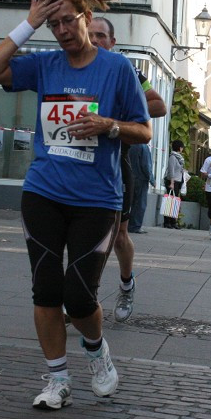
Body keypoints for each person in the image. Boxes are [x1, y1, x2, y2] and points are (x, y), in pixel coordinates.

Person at [0, 0, 150, 411]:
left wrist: (108, 125)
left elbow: (143, 131)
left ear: (86, 17)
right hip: (44, 191)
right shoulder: (44, 64)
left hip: (96, 199)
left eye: (67, 21)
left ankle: (97, 353)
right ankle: (57, 379)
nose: (61, 31)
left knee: (78, 296)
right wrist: (28, 23)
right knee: (45, 289)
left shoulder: (116, 69)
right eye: (53, 24)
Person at [87, 16, 167, 322]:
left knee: (117, 235)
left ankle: (125, 283)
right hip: (79, 161)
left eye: (100, 36)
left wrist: (116, 118)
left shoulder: (126, 70)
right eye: (89, 35)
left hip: (117, 159)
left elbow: (158, 105)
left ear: (112, 42)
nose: (94, 41)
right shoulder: (74, 67)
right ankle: (83, 292)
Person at [163, 139, 185, 229]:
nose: (182, 149)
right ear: (179, 148)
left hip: (178, 181)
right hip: (173, 182)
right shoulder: (173, 157)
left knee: (174, 203)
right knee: (170, 202)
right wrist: (171, 183)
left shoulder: (179, 157)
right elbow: (171, 171)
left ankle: (173, 222)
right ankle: (167, 222)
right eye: (182, 147)